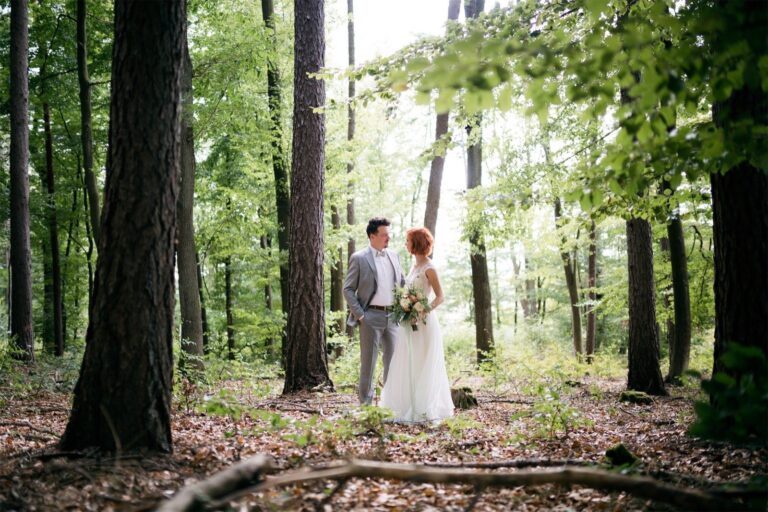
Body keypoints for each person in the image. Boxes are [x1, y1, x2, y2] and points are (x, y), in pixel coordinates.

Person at [381, 227, 454, 423]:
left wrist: (423, 310)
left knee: (422, 362)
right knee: (407, 362)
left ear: (417, 243)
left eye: (408, 240)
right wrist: (405, 307)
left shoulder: (429, 268)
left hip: (424, 323)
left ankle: (423, 408)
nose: (405, 244)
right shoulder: (414, 267)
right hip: (409, 323)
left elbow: (440, 296)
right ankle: (406, 405)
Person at [344, 217, 405, 405]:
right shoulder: (359, 258)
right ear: (372, 236)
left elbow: (402, 283)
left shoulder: (394, 256)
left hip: (393, 317)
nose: (388, 238)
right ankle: (366, 407)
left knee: (393, 364)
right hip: (370, 316)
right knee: (368, 364)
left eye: (389, 234)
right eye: (384, 235)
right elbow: (347, 289)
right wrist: (361, 315)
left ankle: (390, 405)